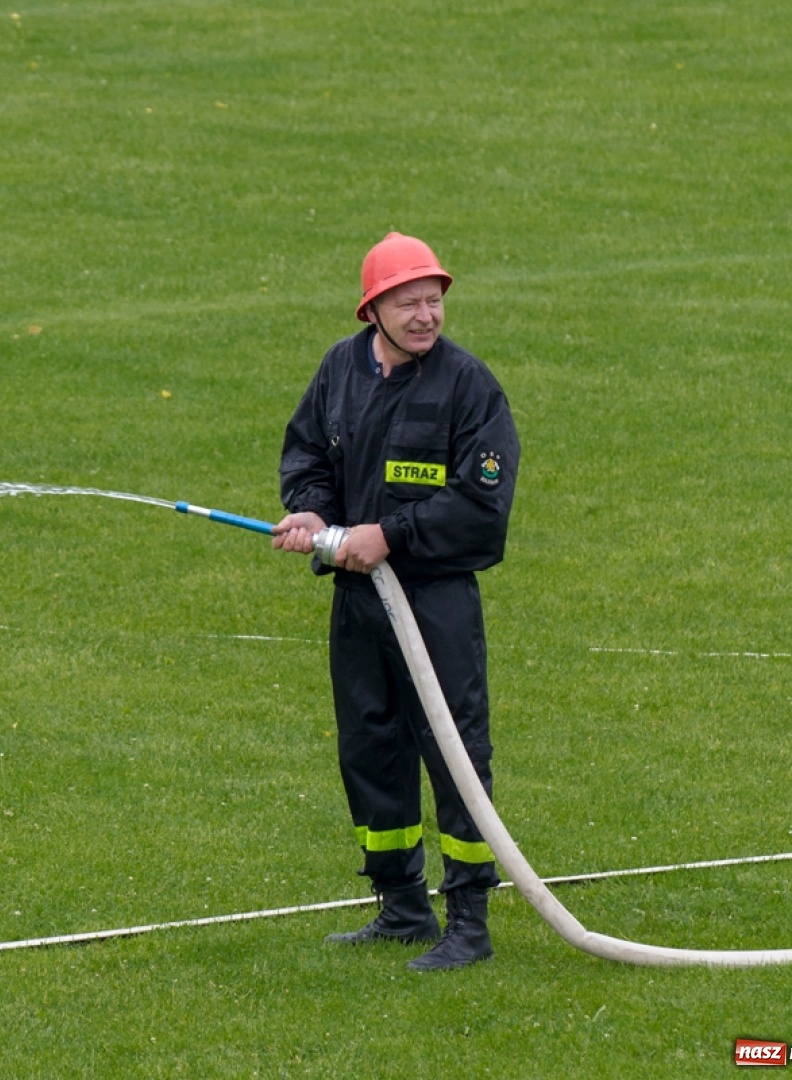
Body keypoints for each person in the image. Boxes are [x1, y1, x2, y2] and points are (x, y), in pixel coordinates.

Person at [271, 232, 519, 972]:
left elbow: (482, 507)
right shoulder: (339, 371)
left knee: (454, 756)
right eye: (408, 302)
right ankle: (401, 906)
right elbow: (308, 454)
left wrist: (391, 534)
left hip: (434, 605)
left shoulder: (470, 389)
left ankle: (469, 921)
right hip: (358, 604)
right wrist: (314, 513)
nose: (425, 316)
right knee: (371, 750)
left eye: (434, 301)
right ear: (372, 308)